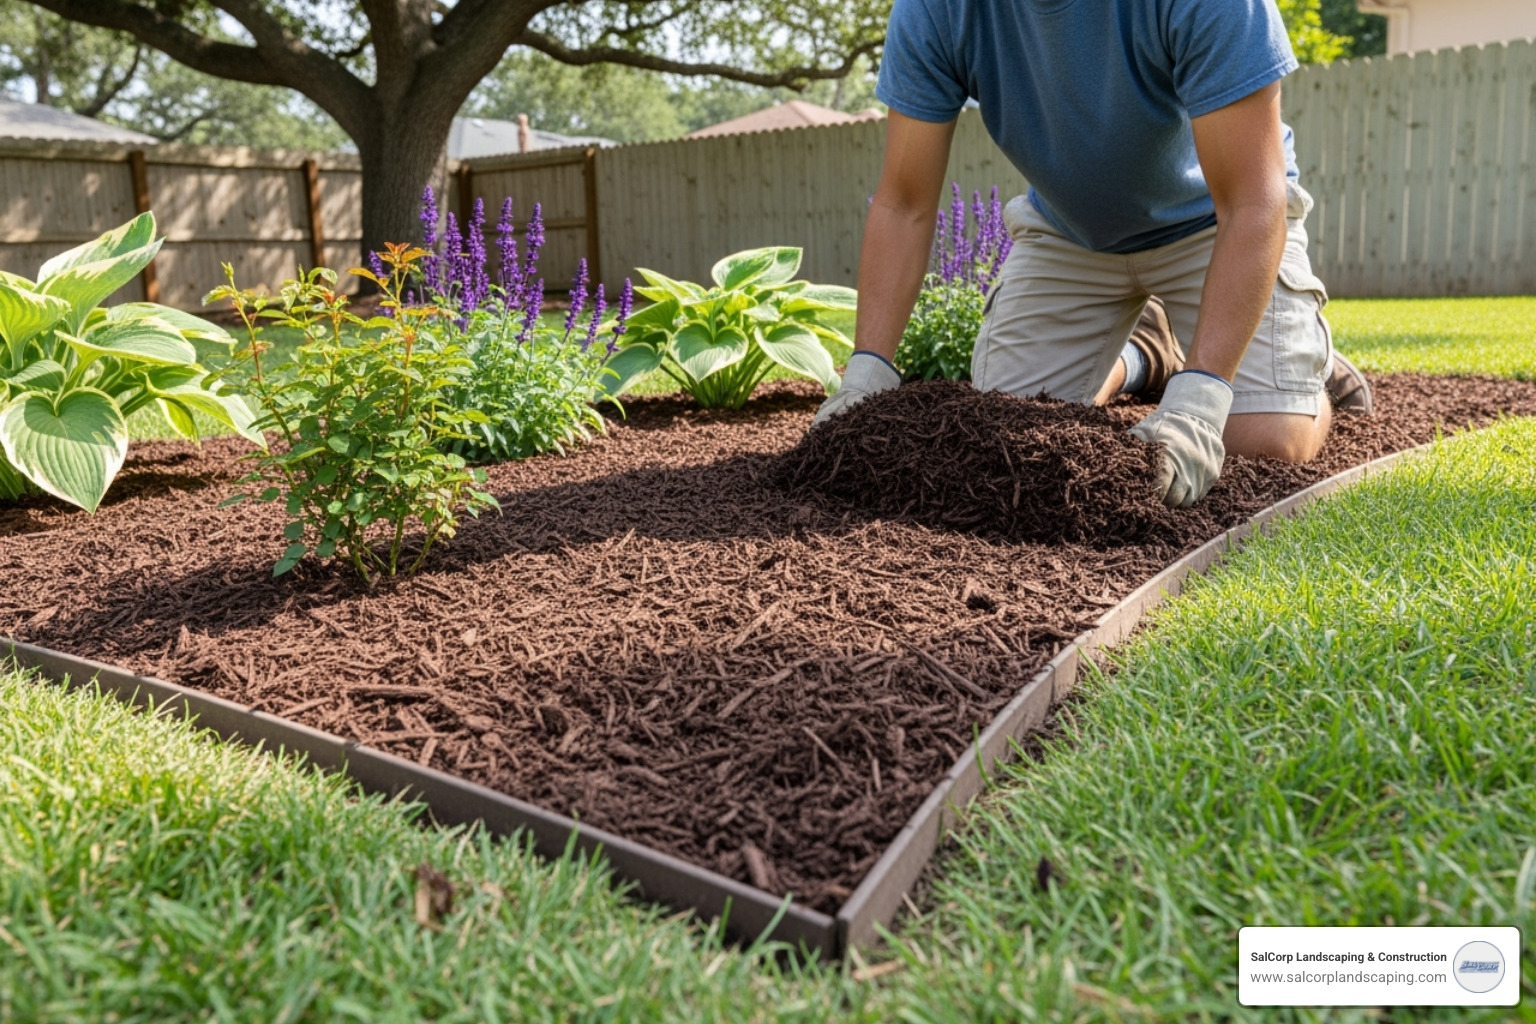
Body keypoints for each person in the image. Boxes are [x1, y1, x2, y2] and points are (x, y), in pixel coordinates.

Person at [813, 0, 1373, 507]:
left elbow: (1253, 203)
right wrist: (866, 372)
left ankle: (1301, 375)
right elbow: (904, 204)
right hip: (1069, 234)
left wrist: (1203, 395)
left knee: (1260, 443)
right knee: (1001, 437)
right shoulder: (937, 10)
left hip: (1213, 223)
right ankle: (1146, 357)